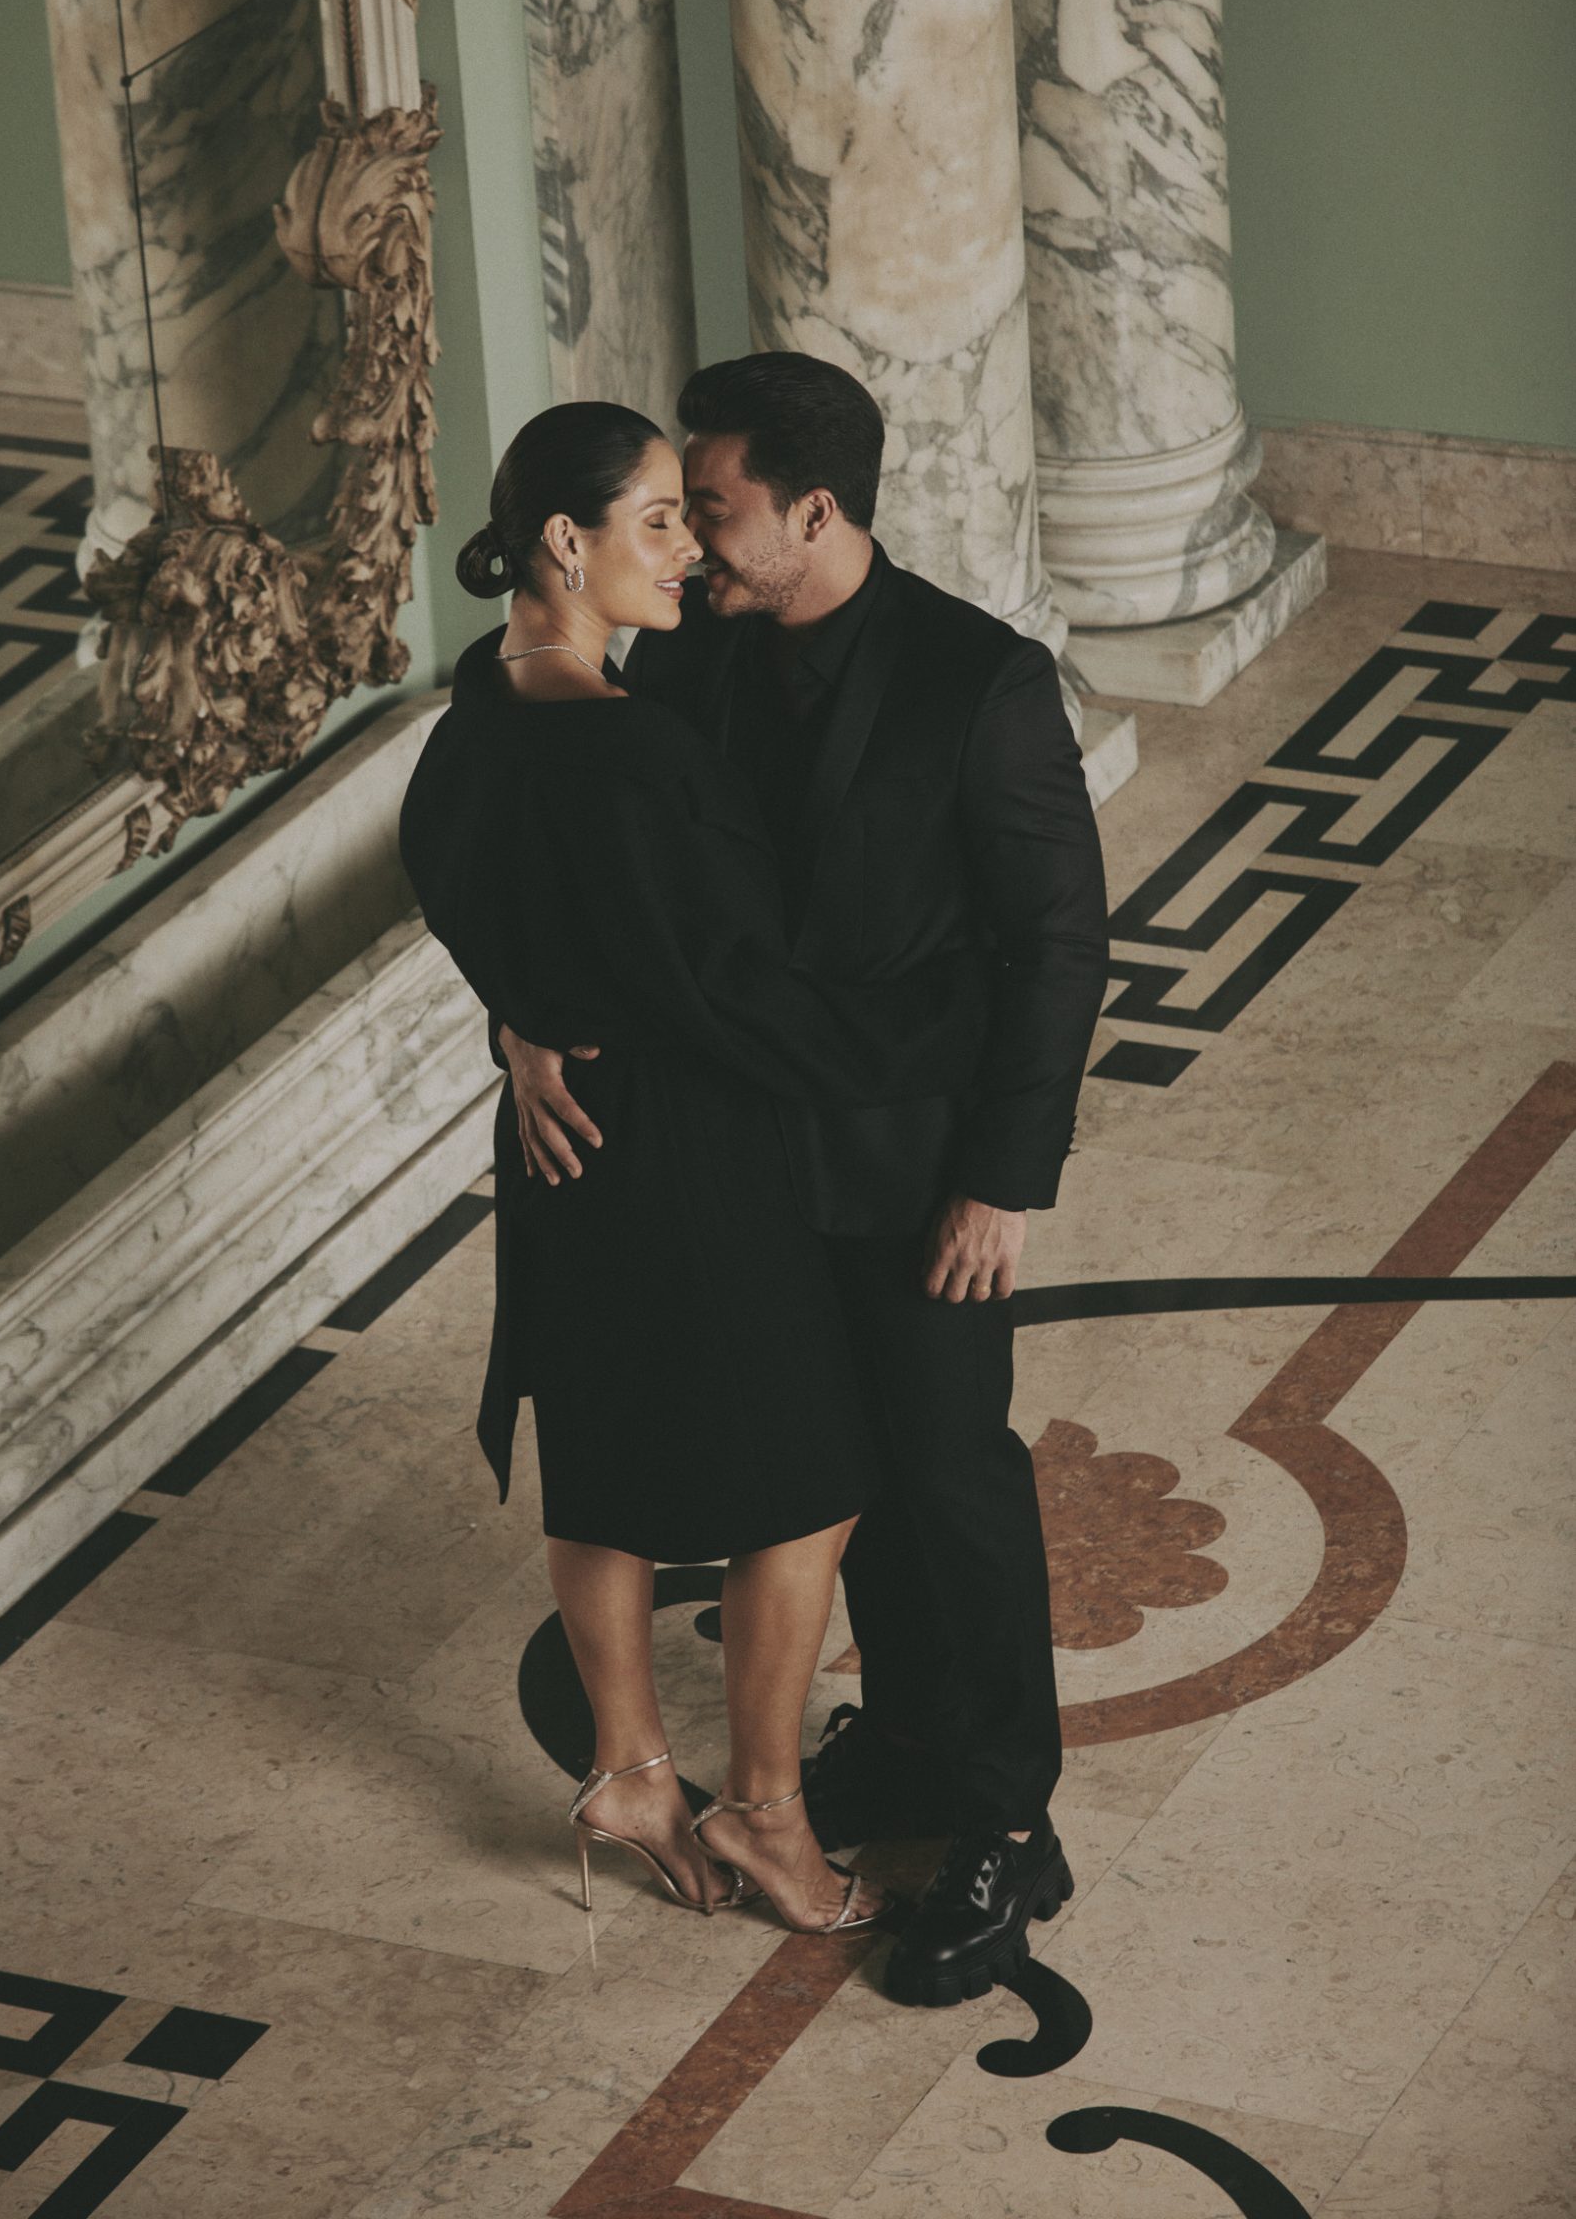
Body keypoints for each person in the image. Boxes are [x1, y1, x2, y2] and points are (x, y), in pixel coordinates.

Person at [498, 353, 1109, 2007]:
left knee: (947, 1474)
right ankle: (902, 1740)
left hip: (910, 1168)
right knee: (824, 1474)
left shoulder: (979, 683)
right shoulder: (684, 651)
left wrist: (999, 1182)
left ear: (816, 510)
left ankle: (1007, 1822)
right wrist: (521, 1019)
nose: (687, 540)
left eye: (711, 508)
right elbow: (594, 865)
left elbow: (1058, 946)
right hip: (731, 1166)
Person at [398, 399, 992, 1938]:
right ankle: (768, 1816)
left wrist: (524, 1020)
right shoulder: (634, 750)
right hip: (687, 1147)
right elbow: (736, 993)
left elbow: (456, 890)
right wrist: (932, 1033)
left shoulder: (472, 714)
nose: (683, 550)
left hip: (558, 1143)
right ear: (565, 540)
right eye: (657, 521)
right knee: (815, 1481)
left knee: (599, 1457)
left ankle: (631, 1775)